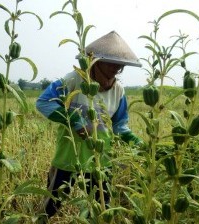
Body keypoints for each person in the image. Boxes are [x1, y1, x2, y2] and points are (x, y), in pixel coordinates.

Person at [36, 31, 143, 221]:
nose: (115, 69)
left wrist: (137, 143)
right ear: (95, 62)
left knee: (102, 206)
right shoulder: (73, 80)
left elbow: (119, 125)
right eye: (110, 63)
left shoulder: (118, 90)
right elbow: (44, 102)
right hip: (70, 155)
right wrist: (76, 122)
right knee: (53, 203)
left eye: (119, 65)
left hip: (101, 158)